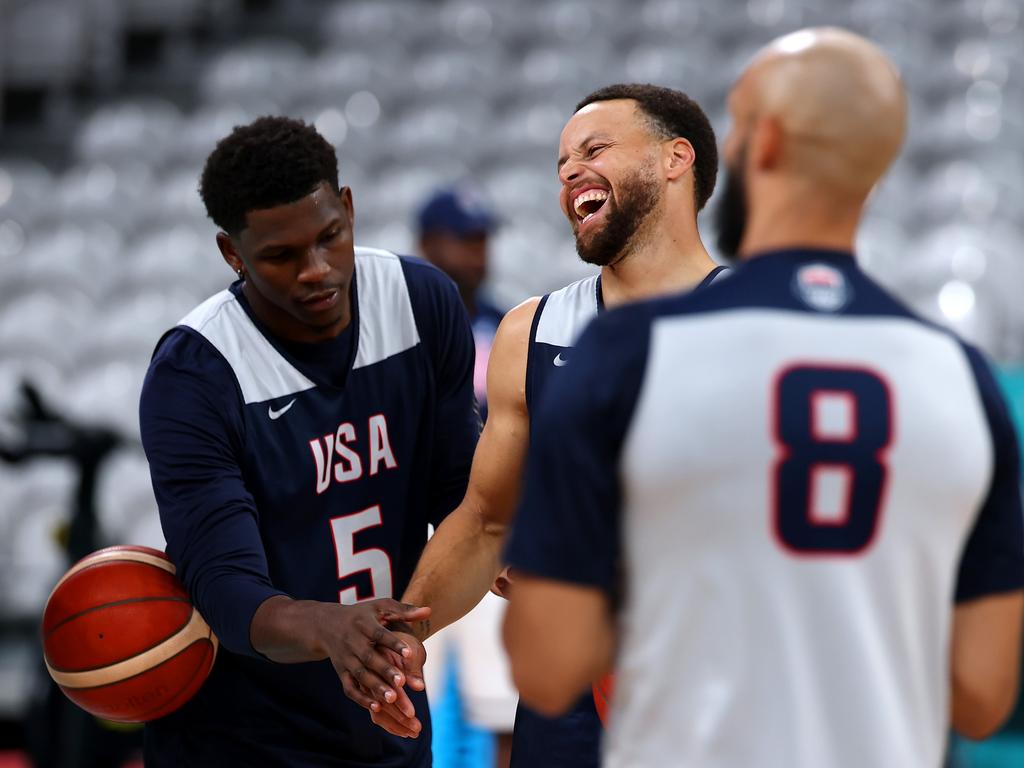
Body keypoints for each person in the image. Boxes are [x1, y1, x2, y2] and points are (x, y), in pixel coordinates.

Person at [502, 28, 1024, 768]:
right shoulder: (960, 375)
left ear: (763, 146)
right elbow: (981, 693)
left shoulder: (630, 350)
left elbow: (549, 663)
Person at [354, 84, 726, 767]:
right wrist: (403, 636)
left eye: (595, 149)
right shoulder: (533, 330)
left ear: (676, 160)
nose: (571, 173)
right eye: (561, 166)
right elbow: (485, 524)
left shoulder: (756, 325)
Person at [138, 116, 480, 766]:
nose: (316, 271)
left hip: (387, 713)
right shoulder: (196, 372)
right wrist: (335, 627)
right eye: (281, 256)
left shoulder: (421, 303)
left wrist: (506, 551)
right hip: (237, 738)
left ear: (348, 207)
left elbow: (462, 497)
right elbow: (229, 590)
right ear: (232, 253)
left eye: (330, 237)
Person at [415, 183, 517, 767]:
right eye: (464, 240)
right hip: (413, 523)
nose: (476, 254)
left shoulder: (509, 328)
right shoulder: (394, 330)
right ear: (429, 243)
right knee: (399, 692)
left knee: (499, 700)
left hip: (487, 524)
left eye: (482, 240)